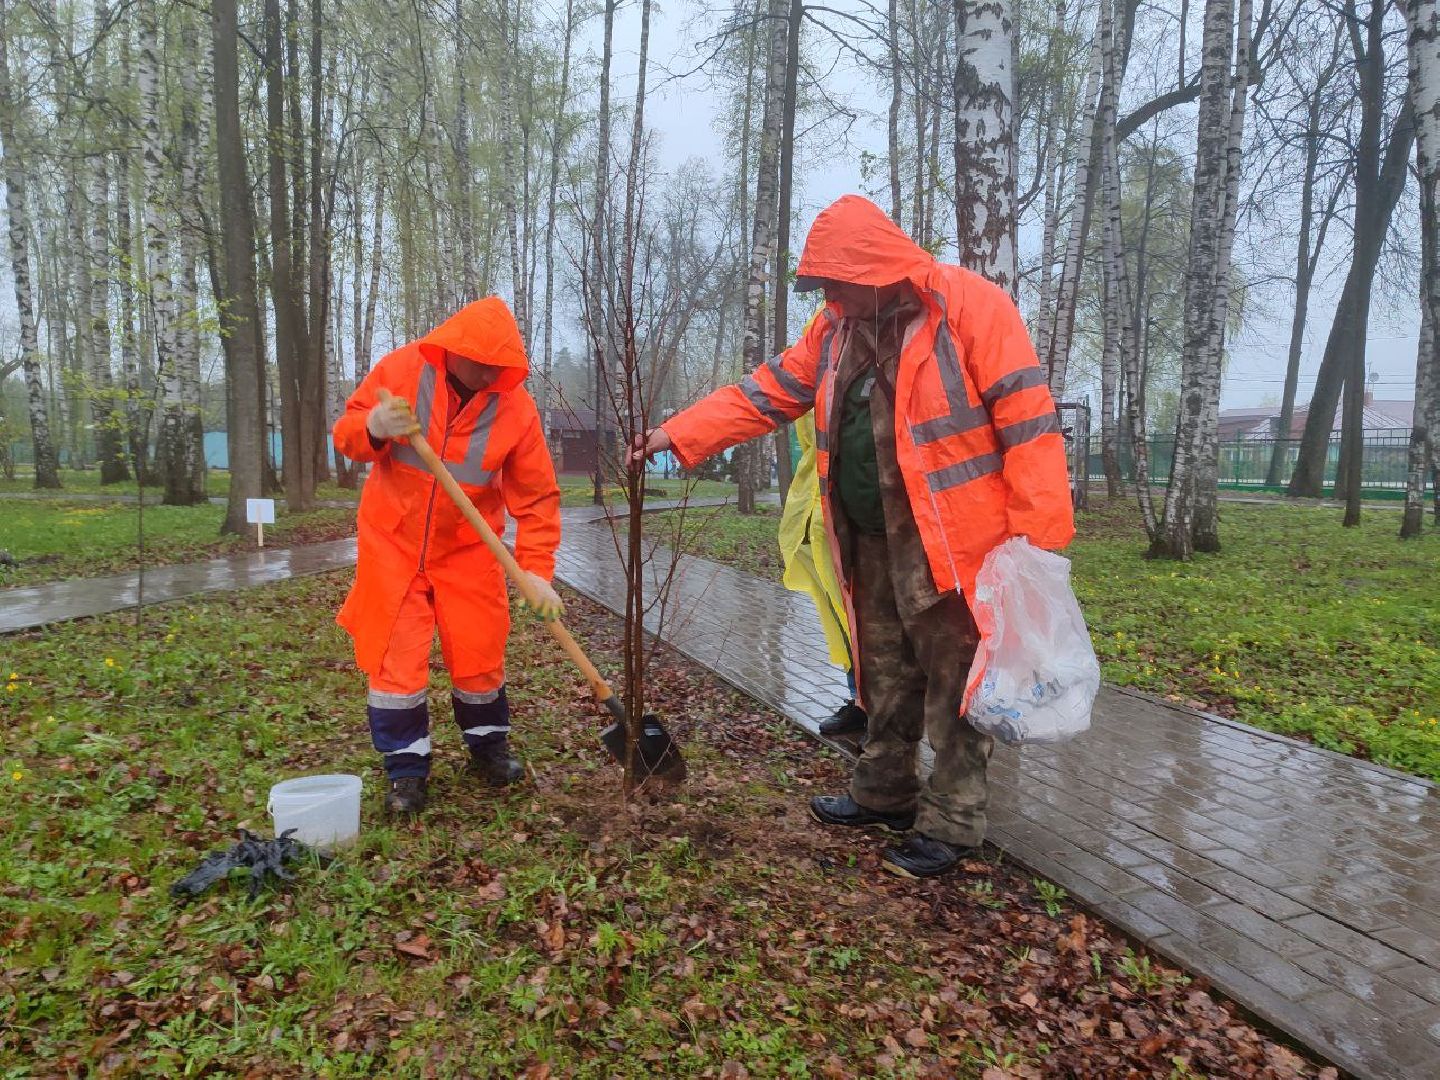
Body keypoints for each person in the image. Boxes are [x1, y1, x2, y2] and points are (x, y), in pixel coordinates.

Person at [631, 195, 1074, 877]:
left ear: (877, 270)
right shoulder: (835, 330)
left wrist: (1035, 540)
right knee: (883, 674)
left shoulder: (969, 308)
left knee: (954, 681)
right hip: (868, 537)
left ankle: (953, 822)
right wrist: (674, 435)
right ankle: (882, 793)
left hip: (955, 545)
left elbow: (1028, 423)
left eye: (837, 282)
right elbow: (765, 393)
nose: (829, 297)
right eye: (822, 286)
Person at [333, 296, 564, 817]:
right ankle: (406, 769)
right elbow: (346, 435)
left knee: (480, 653)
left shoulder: (516, 409)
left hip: (468, 550)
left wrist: (536, 572)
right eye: (482, 364)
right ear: (453, 350)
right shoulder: (401, 371)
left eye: (500, 367)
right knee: (396, 663)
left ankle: (488, 749)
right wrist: (373, 426)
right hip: (393, 545)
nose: (490, 375)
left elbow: (537, 498)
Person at [779, 410, 867, 739]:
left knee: (866, 620)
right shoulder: (814, 382)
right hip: (815, 508)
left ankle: (883, 715)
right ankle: (860, 703)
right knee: (843, 619)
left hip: (855, 509)